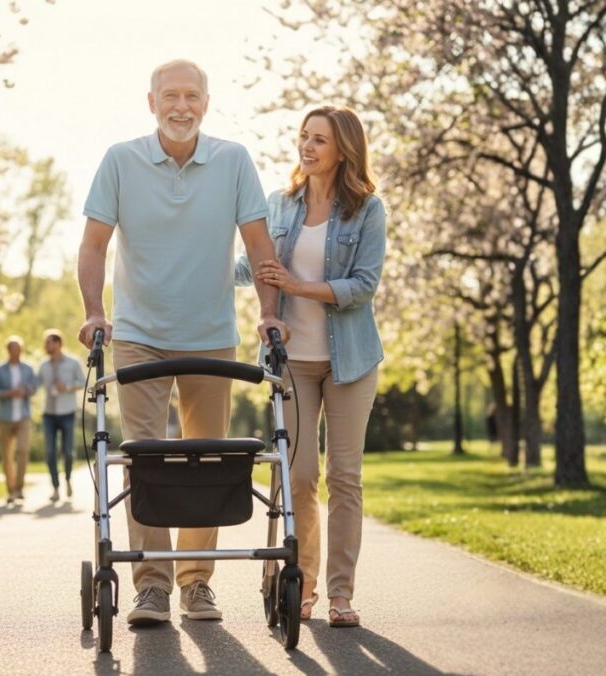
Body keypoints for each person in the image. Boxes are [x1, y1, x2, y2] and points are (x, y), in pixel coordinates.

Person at [77, 59, 288, 626]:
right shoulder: (121, 160)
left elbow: (260, 245)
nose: (181, 106)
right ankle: (152, 585)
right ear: (151, 103)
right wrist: (95, 311)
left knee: (207, 458)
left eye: (192, 96)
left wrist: (269, 314)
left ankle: (197, 583)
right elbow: (94, 244)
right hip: (139, 337)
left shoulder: (233, 160)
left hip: (211, 337)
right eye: (170, 95)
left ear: (206, 103)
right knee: (143, 459)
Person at [237, 106, 385, 627]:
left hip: (351, 363)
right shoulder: (280, 205)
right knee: (298, 477)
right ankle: (302, 584)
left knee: (344, 477)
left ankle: (342, 594)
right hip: (291, 363)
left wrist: (299, 287)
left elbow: (364, 285)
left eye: (319, 139)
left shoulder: (367, 210)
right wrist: (194, 261)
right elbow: (254, 264)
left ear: (343, 149)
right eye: (304, 136)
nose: (308, 146)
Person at [37, 328, 85, 502]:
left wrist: (68, 386)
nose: (46, 346)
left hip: (67, 413)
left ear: (58, 343)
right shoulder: (43, 365)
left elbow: (82, 382)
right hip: (48, 414)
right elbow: (36, 384)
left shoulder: (72, 363)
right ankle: (56, 488)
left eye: (49, 342)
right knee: (50, 452)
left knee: (68, 452)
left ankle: (68, 479)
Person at [0, 336, 37, 505]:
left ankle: (19, 488)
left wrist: (25, 391)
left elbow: (34, 388)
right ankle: (10, 490)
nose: (16, 353)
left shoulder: (28, 369)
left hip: (23, 416)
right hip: (5, 417)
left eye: (19, 350)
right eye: (13, 349)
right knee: (6, 455)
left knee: (23, 450)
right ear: (8, 350)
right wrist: (10, 393)